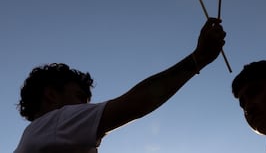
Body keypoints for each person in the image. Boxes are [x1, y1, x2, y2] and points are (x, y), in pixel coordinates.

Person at [14, 18, 226, 153]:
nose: (86, 108)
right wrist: (198, 58)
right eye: (79, 98)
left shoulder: (36, 138)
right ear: (51, 95)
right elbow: (135, 104)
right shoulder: (55, 123)